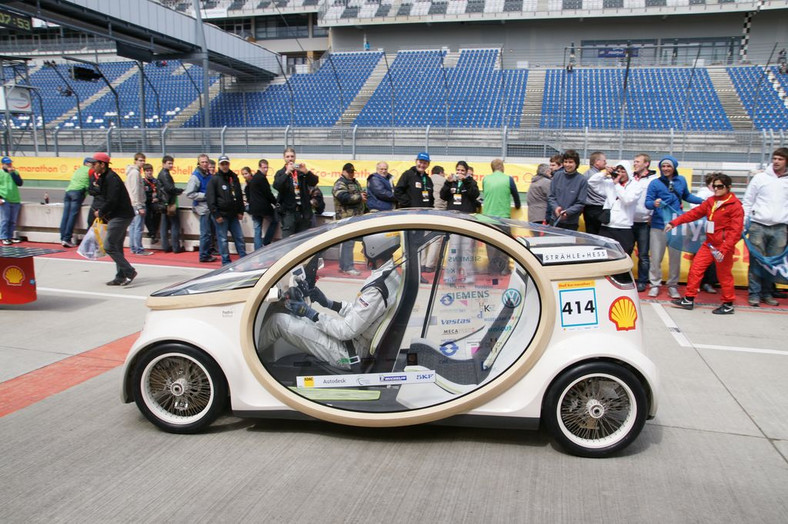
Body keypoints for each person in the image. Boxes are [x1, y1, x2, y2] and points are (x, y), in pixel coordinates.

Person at [257, 232, 402, 371]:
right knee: (300, 317)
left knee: (278, 321)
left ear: (373, 250)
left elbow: (345, 331)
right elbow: (361, 314)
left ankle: (248, 356)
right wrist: (329, 303)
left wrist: (311, 313)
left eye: (364, 248)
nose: (363, 252)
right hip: (354, 344)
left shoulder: (377, 290)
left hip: (349, 356)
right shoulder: (390, 276)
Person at [667, 173, 744, 315]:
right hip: (709, 244)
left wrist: (725, 248)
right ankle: (689, 299)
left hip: (723, 247)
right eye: (714, 186)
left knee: (724, 275)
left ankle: (728, 303)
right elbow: (694, 213)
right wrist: (674, 222)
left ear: (728, 187)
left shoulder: (735, 206)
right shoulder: (711, 201)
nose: (716, 189)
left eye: (720, 186)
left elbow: (736, 230)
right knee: (696, 269)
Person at [644, 155, 703, 299]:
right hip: (658, 225)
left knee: (675, 258)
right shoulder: (655, 183)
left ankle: (672, 285)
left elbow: (687, 196)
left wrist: (705, 201)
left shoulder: (681, 180)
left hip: (676, 225)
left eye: (668, 166)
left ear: (674, 167)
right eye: (663, 166)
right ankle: (655, 284)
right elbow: (647, 202)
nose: (665, 169)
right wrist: (654, 204)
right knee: (656, 257)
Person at [742, 147, 788, 307]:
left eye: (780, 159)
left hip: (781, 227)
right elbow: (748, 201)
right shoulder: (760, 178)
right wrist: (743, 222)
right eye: (774, 158)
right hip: (758, 225)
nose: (776, 161)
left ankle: (767, 293)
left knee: (773, 263)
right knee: (757, 261)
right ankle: (754, 294)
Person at [91, 153, 137, 286]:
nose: (93, 166)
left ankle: (129, 271)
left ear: (102, 164)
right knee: (116, 246)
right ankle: (120, 276)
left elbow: (112, 200)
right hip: (118, 215)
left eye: (95, 164)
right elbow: (99, 194)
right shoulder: (104, 177)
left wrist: (101, 212)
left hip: (121, 215)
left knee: (109, 246)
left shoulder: (111, 178)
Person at [441, 160, 480, 284]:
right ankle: (450, 276)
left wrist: (466, 180)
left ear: (467, 171)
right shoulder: (451, 182)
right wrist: (447, 182)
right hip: (454, 219)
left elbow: (474, 194)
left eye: (462, 170)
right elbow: (443, 195)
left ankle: (468, 277)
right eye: (458, 170)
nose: (460, 172)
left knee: (467, 250)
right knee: (454, 249)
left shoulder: (471, 182)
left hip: (467, 219)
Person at [592, 161, 643, 255]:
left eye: (623, 171)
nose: (620, 174)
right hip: (606, 227)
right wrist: (605, 173)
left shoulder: (636, 185)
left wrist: (617, 185)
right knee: (604, 257)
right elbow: (592, 182)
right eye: (618, 171)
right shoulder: (609, 183)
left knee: (623, 257)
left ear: (628, 172)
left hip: (623, 227)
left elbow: (627, 200)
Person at [482, 158, 522, 274]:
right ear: (502, 167)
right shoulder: (508, 179)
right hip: (503, 216)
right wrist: (518, 206)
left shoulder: (486, 179)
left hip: (488, 216)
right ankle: (504, 269)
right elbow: (515, 196)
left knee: (490, 245)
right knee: (505, 244)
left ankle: (493, 269)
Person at [206, 155, 247, 265]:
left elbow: (238, 195)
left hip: (233, 215)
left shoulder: (234, 178)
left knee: (239, 237)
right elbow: (210, 198)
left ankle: (243, 258)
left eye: (226, 164)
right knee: (223, 240)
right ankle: (226, 261)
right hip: (221, 216)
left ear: (229, 164)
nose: (224, 166)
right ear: (219, 165)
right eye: (222, 164)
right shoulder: (214, 179)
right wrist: (216, 214)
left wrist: (240, 211)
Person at [273, 147, 319, 238]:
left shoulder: (301, 172)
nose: (290, 158)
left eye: (292, 156)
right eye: (288, 156)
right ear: (284, 158)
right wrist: (287, 173)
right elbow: (277, 186)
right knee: (288, 241)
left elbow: (314, 182)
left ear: (295, 157)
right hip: (288, 212)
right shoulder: (280, 173)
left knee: (302, 241)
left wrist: (306, 172)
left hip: (303, 211)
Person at [333, 162, 367, 275]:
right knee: (347, 243)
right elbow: (342, 197)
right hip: (345, 218)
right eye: (349, 171)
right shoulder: (340, 183)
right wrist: (359, 197)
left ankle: (348, 265)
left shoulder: (355, 182)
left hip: (357, 217)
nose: (351, 174)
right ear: (343, 172)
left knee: (358, 241)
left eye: (352, 171)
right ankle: (347, 267)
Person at [631, 153, 658, 292]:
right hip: (628, 221)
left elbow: (656, 198)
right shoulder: (630, 177)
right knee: (626, 252)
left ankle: (642, 281)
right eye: (634, 161)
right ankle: (626, 278)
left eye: (637, 161)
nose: (635, 164)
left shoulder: (653, 180)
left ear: (646, 164)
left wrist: (652, 215)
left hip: (644, 222)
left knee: (643, 254)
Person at [185, 154, 216, 263]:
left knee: (210, 232)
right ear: (199, 163)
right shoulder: (195, 177)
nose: (204, 164)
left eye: (206, 162)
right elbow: (189, 193)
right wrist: (205, 195)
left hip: (210, 207)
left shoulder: (208, 175)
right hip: (202, 208)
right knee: (205, 233)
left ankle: (207, 252)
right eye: (202, 162)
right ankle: (203, 255)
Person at [547, 149, 587, 230]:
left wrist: (568, 212)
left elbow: (581, 202)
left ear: (576, 164)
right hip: (554, 220)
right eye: (565, 162)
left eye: (570, 162)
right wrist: (556, 208)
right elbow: (551, 196)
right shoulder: (557, 176)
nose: (567, 164)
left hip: (571, 223)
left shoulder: (582, 180)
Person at [694, 173, 720, 294]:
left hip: (715, 231)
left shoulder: (720, 195)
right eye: (713, 184)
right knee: (700, 259)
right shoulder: (703, 193)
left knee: (714, 258)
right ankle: (697, 283)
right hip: (702, 230)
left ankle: (709, 282)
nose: (715, 187)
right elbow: (695, 207)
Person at [244, 159, 278, 250]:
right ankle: (266, 242)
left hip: (254, 208)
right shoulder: (262, 178)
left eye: (267, 167)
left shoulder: (254, 178)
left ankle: (257, 250)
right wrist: (276, 203)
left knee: (257, 230)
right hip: (263, 207)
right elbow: (268, 194)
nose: (266, 169)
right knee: (275, 221)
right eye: (264, 167)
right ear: (260, 167)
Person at [59, 156, 93, 248]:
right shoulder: (90, 171)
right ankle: (67, 238)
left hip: (69, 191)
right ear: (86, 163)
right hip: (78, 192)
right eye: (91, 163)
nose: (93, 165)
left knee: (65, 216)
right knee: (72, 216)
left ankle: (62, 238)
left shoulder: (78, 170)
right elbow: (91, 184)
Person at [125, 153, 153, 256]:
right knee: (138, 227)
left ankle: (133, 247)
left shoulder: (132, 172)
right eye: (140, 160)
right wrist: (139, 205)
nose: (142, 163)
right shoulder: (135, 173)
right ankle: (138, 248)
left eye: (143, 160)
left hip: (132, 203)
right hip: (136, 203)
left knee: (133, 226)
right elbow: (135, 190)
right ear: (135, 161)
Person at [157, 155, 183, 254]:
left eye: (172, 163)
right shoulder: (165, 174)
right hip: (169, 203)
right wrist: (179, 190)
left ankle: (166, 246)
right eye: (169, 163)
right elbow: (170, 188)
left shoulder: (162, 174)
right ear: (163, 164)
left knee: (164, 226)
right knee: (175, 225)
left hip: (164, 202)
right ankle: (176, 247)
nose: (171, 165)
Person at [583, 151, 611, 235]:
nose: (606, 163)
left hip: (590, 209)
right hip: (597, 208)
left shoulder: (588, 173)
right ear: (597, 162)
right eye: (604, 161)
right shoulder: (595, 176)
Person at [0, 156, 23, 245]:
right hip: (4, 198)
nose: (9, 165)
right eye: (7, 164)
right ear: (3, 165)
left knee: (13, 220)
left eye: (10, 163)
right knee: (5, 219)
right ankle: (4, 237)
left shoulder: (15, 172)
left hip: (15, 198)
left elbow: (19, 183)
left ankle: (10, 236)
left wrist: (12, 173)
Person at [142, 163, 161, 245]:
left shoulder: (156, 181)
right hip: (146, 202)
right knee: (146, 215)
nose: (149, 172)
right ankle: (152, 233)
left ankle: (154, 232)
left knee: (158, 212)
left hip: (155, 202)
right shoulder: (143, 182)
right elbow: (142, 194)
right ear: (144, 172)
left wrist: (157, 198)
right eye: (147, 171)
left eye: (150, 170)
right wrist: (150, 199)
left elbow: (160, 192)